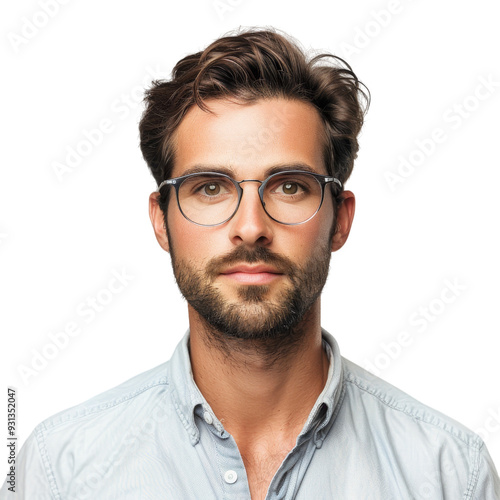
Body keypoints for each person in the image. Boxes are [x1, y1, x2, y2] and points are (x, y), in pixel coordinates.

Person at [2, 27, 499, 500]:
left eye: (289, 186)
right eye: (210, 188)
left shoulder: (450, 474)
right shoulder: (58, 468)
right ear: (161, 221)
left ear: (340, 219)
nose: (250, 227)